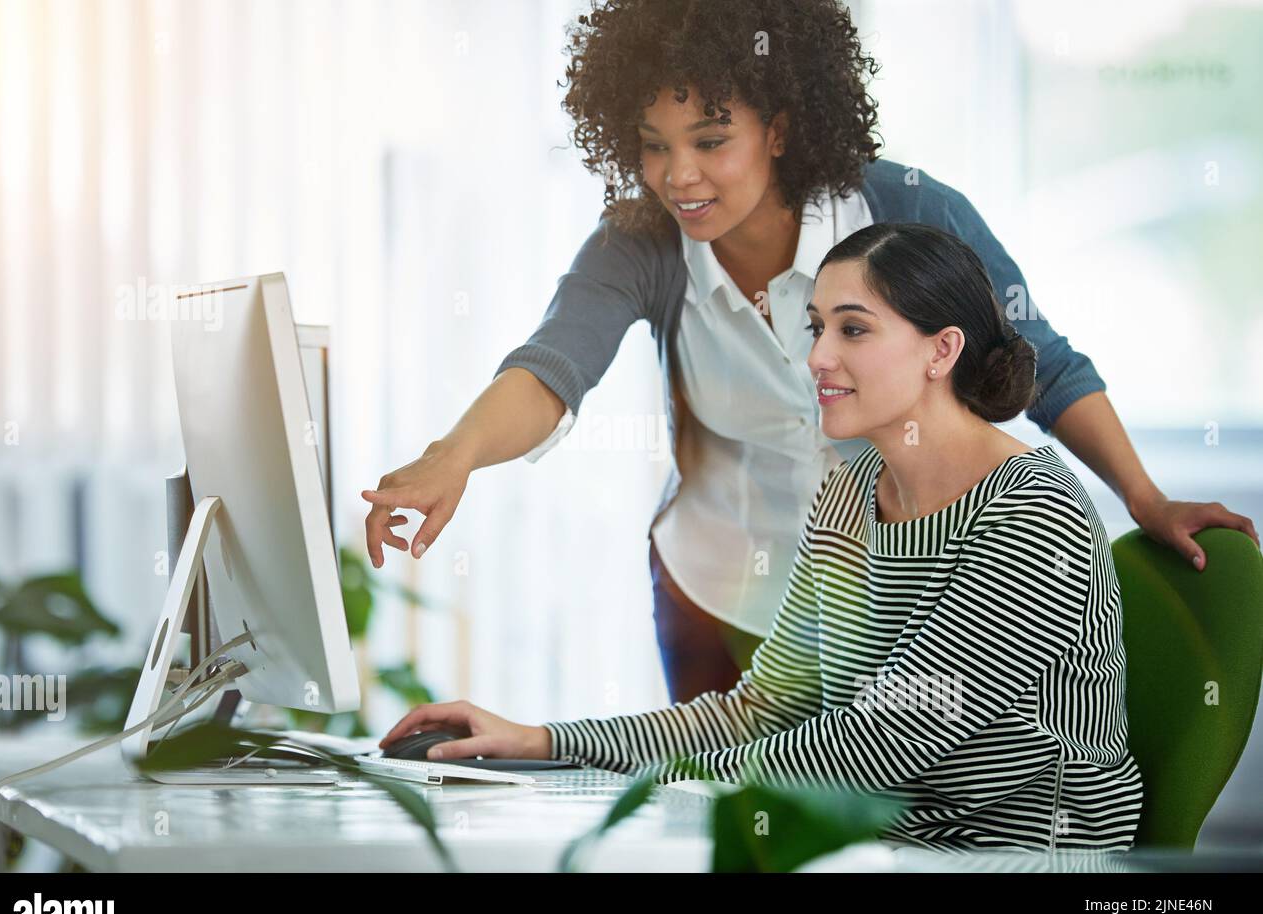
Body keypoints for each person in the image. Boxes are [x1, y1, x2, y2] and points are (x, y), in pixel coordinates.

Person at [361, 0, 1257, 705]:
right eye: (653, 146)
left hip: (904, 593)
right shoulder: (639, 242)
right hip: (719, 593)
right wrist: (454, 458)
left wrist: (1143, 497)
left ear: (781, 128)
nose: (680, 176)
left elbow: (1044, 366)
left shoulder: (906, 213)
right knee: (727, 826)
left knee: (886, 816)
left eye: (711, 140)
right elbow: (553, 365)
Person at [379, 222, 1145, 853]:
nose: (815, 356)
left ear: (940, 350)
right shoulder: (851, 494)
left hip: (1018, 855)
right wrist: (543, 741)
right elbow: (763, 710)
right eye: (816, 327)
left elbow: (883, 744)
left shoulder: (1031, 510)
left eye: (853, 329)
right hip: (882, 847)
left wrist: (661, 784)